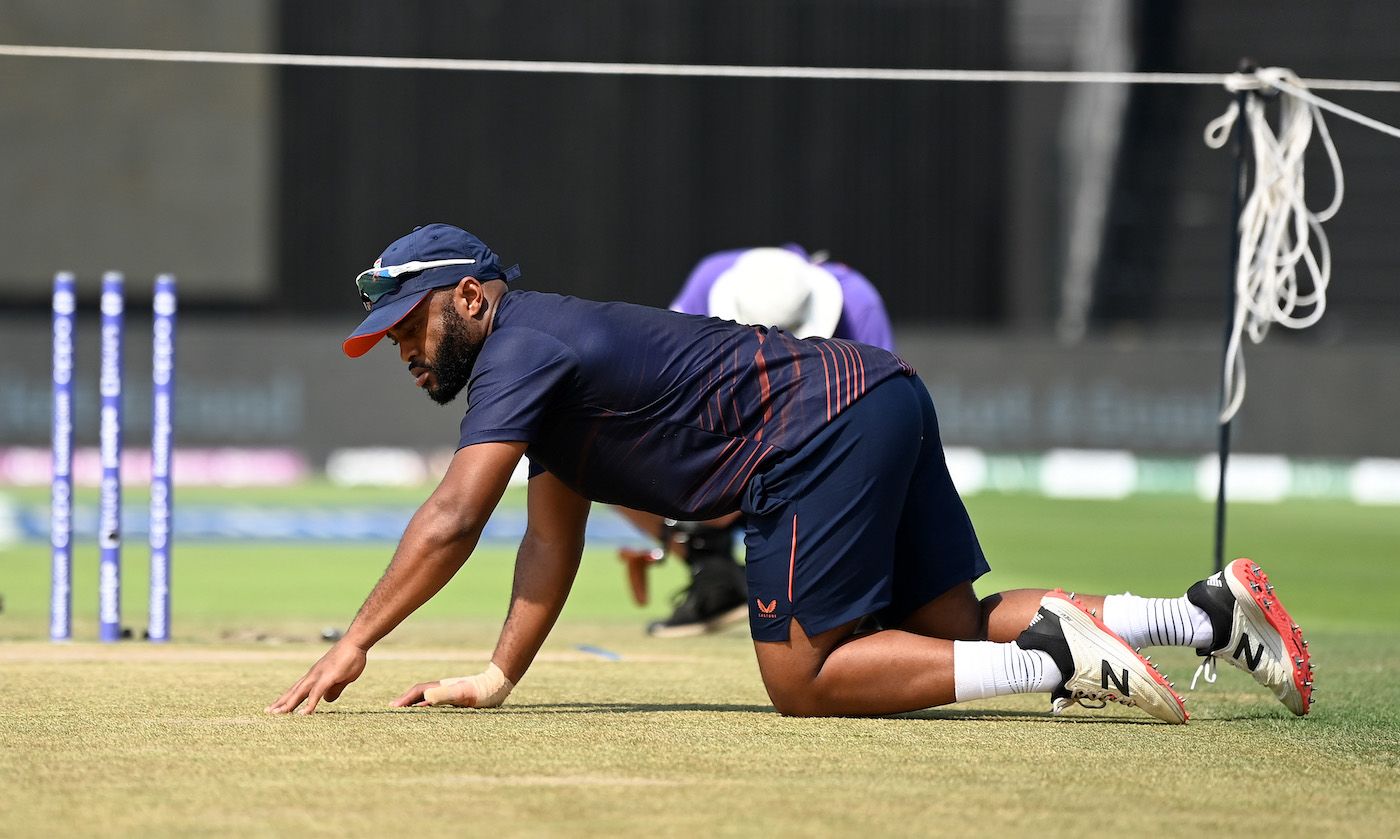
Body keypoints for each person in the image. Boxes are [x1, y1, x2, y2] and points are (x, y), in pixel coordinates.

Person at [267, 223, 1313, 723]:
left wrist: (352, 641)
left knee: (800, 676)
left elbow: (456, 514)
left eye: (410, 320)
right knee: (948, 623)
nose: (400, 346)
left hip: (813, 430)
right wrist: (499, 673)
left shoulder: (518, 350)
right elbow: (551, 534)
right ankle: (1203, 612)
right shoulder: (539, 363)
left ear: (475, 299)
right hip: (876, 393)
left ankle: (1055, 661)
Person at [618, 245, 895, 638]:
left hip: (821, 453)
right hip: (733, 442)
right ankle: (714, 575)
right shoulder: (705, 282)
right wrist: (722, 481)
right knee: (609, 458)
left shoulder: (859, 304)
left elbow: (879, 419)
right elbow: (670, 397)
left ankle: (855, 595)